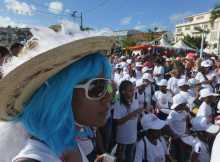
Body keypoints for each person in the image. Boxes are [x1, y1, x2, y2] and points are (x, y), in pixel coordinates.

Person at [0, 36, 115, 162]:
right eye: (97, 87)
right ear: (59, 95)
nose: (109, 97)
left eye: (108, 86)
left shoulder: (68, 143)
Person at [113, 80, 145, 162]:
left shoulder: (135, 101)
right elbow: (117, 122)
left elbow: (137, 119)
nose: (133, 92)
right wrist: (133, 113)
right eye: (130, 90)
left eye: (133, 89)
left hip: (133, 137)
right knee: (120, 158)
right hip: (122, 138)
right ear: (123, 92)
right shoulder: (118, 103)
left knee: (130, 157)